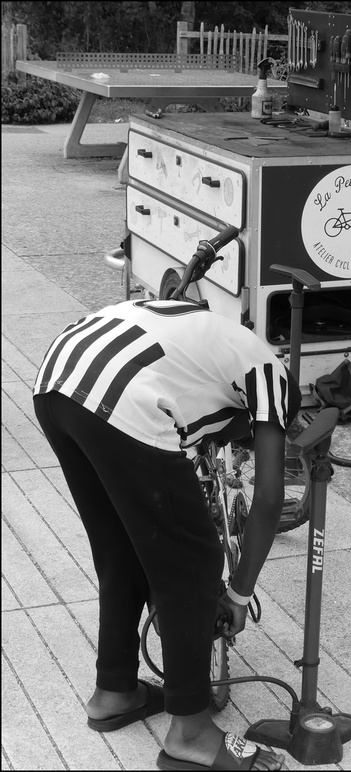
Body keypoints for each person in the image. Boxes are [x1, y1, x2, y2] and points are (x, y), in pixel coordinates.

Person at [32, 297, 303, 771]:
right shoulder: (272, 379)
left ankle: (114, 693)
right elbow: (269, 499)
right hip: (122, 393)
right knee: (193, 563)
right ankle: (192, 734)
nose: (231, 445)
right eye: (243, 439)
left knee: (121, 549)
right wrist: (237, 595)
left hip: (59, 373)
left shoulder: (213, 342)